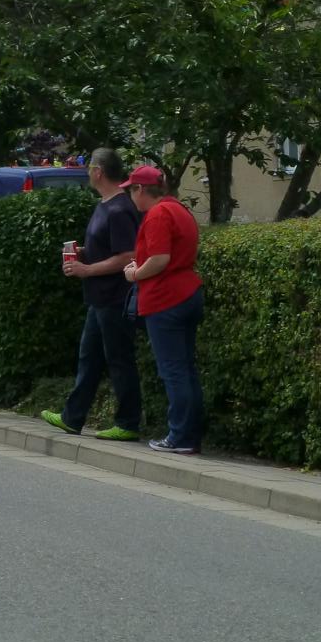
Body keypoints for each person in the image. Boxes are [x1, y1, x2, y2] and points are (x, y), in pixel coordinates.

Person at [40, 147, 142, 440]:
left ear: (98, 172)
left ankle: (128, 422)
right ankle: (73, 417)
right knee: (90, 358)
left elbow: (127, 255)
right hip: (98, 299)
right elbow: (107, 247)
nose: (88, 174)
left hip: (114, 297)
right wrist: (84, 253)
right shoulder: (104, 205)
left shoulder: (121, 209)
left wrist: (87, 270)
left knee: (119, 360)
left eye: (89, 169)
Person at [122, 165, 205, 455]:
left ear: (141, 190)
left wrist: (135, 273)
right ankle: (191, 435)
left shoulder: (157, 214)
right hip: (188, 292)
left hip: (165, 298)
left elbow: (159, 259)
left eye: (131, 189)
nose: (130, 196)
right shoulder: (178, 209)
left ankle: (179, 436)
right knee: (186, 369)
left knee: (173, 371)